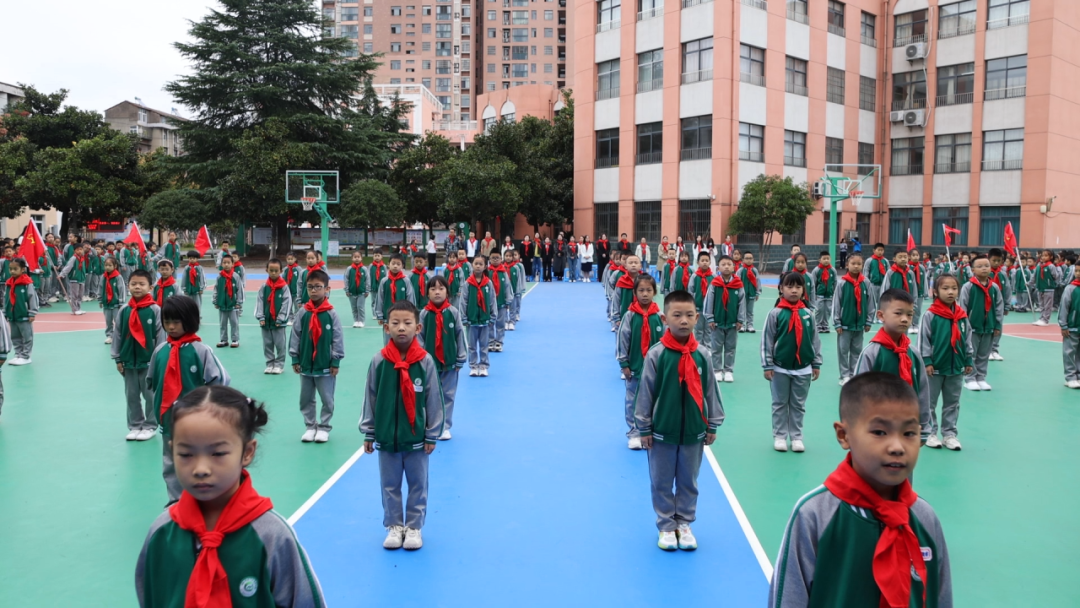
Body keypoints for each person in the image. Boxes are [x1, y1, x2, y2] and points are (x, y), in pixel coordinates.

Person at [768, 373, 953, 608]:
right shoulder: (815, 515)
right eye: (879, 432)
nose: (897, 447)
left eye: (909, 433)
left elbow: (941, 598)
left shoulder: (925, 518)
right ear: (843, 435)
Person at [135, 386, 326, 607]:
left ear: (247, 452)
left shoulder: (271, 535)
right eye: (186, 454)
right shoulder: (161, 532)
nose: (201, 469)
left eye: (218, 453)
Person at [634, 289, 725, 551]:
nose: (683, 320)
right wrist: (644, 428)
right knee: (661, 482)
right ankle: (666, 525)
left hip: (694, 433)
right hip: (661, 433)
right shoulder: (657, 354)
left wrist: (712, 423)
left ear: (697, 318)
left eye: (689, 315)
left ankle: (684, 523)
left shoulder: (703, 355)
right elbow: (645, 393)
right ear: (665, 319)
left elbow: (711, 391)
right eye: (677, 315)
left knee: (688, 482)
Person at [361, 300, 445, 551]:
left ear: (418, 328)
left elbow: (433, 399)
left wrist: (431, 434)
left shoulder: (425, 361)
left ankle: (414, 527)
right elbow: (370, 398)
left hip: (416, 439)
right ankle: (395, 526)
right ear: (386, 327)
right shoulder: (379, 360)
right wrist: (369, 431)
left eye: (407, 323)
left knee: (418, 484)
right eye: (395, 323)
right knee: (390, 485)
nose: (401, 328)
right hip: (387, 438)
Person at [147, 295, 231, 502]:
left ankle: (200, 500)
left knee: (198, 460)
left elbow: (220, 380)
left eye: (176, 321)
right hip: (169, 420)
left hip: (196, 421)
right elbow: (152, 380)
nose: (171, 327)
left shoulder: (201, 351)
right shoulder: (160, 351)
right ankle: (176, 502)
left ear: (190, 320)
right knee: (171, 462)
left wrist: (209, 409)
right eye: (167, 321)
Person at [853, 288, 932, 445]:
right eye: (898, 313)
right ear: (881, 315)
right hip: (877, 430)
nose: (905, 319)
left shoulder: (913, 353)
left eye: (909, 314)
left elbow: (923, 392)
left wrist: (924, 429)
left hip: (907, 428)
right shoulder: (872, 353)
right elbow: (858, 394)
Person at [761, 272, 822, 452]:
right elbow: (767, 340)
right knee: (779, 403)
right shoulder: (775, 313)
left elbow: (815, 340)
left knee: (798, 405)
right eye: (789, 287)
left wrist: (816, 363)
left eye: (798, 287)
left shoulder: (808, 314)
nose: (794, 290)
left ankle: (796, 437)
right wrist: (767, 364)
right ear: (781, 289)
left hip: (803, 369)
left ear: (803, 290)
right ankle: (780, 436)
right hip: (779, 368)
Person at [288, 269, 344, 444]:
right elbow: (295, 335)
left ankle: (324, 427)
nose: (313, 290)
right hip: (305, 365)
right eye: (310, 287)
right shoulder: (303, 312)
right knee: (306, 398)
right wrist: (295, 358)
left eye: (318, 287)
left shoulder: (331, 314)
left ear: (327, 289)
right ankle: (310, 426)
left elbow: (337, 338)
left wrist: (335, 361)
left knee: (327, 398)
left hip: (325, 365)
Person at [920, 274, 974, 450]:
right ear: (935, 292)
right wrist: (927, 361)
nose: (950, 292)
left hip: (956, 368)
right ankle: (930, 432)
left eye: (954, 288)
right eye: (945, 288)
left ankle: (949, 434)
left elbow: (967, 339)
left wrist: (968, 359)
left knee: (953, 403)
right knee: (930, 402)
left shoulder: (962, 316)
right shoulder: (930, 315)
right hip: (935, 368)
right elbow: (924, 339)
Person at [111, 269, 165, 442]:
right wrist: (118, 358)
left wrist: (158, 361)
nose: (137, 287)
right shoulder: (124, 310)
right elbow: (118, 335)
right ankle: (135, 425)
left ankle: (150, 426)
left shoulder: (155, 310)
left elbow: (161, 337)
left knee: (150, 396)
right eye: (133, 284)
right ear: (128, 286)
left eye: (142, 284)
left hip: (149, 362)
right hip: (128, 362)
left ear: (150, 287)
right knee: (131, 395)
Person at [617, 275, 663, 450]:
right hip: (635, 368)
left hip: (656, 370)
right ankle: (635, 433)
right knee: (633, 401)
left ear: (654, 292)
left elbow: (666, 342)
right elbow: (623, 339)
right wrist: (624, 363)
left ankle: (651, 432)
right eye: (641, 290)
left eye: (649, 290)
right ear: (635, 292)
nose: (645, 294)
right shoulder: (630, 315)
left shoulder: (659, 316)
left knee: (655, 400)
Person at [419, 276, 466, 439]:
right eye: (433, 289)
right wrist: (420, 360)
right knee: (429, 395)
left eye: (441, 289)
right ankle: (430, 424)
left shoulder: (453, 312)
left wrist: (460, 358)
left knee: (448, 395)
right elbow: (419, 338)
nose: (437, 292)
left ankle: (445, 426)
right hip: (429, 365)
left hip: (450, 363)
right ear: (427, 293)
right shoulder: (424, 314)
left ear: (447, 292)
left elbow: (460, 335)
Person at [958, 255, 1003, 392]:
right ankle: (970, 379)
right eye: (980, 266)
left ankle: (981, 378)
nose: (984, 268)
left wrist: (997, 325)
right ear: (972, 270)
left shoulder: (994, 287)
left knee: (984, 354)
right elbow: (962, 307)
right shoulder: (968, 287)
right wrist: (964, 326)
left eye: (986, 266)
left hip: (989, 327)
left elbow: (999, 307)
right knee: (971, 354)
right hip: (972, 327)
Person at [832, 253, 873, 386]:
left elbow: (870, 303)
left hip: (860, 325)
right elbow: (836, 303)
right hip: (844, 325)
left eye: (859, 264)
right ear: (847, 265)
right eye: (853, 263)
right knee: (843, 351)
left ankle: (853, 374)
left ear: (862, 265)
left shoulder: (866, 283)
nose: (856, 266)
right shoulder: (842, 283)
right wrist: (837, 322)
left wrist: (868, 320)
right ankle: (844, 375)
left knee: (857, 351)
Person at [703, 255, 745, 383]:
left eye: (729, 264)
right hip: (717, 323)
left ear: (733, 267)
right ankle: (717, 370)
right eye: (723, 264)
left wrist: (740, 320)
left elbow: (741, 303)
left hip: (732, 323)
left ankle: (728, 371)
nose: (726, 266)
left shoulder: (738, 285)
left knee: (730, 348)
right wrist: (710, 318)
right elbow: (709, 301)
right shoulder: (714, 284)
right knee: (716, 348)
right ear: (718, 268)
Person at [255, 258, 293, 375]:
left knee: (280, 344)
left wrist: (281, 318)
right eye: (271, 270)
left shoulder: (284, 287)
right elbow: (259, 302)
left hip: (278, 323)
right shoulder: (264, 287)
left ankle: (279, 365)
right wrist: (261, 317)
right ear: (267, 270)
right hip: (266, 321)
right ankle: (269, 364)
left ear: (281, 271)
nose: (273, 273)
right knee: (267, 344)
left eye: (276, 271)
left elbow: (287, 303)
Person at [462, 255, 496, 376]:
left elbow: (492, 300)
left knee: (484, 345)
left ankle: (483, 366)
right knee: (471, 345)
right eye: (476, 263)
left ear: (485, 266)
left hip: (485, 320)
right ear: (472, 265)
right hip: (471, 321)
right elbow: (463, 301)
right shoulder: (467, 283)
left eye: (481, 264)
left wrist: (493, 316)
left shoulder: (488, 283)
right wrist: (464, 317)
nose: (478, 266)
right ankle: (473, 366)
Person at [373, 253, 416, 345]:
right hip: (388, 317)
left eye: (398, 264)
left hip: (403, 317)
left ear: (402, 266)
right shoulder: (384, 281)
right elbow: (380, 298)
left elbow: (410, 297)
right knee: (388, 341)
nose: (395, 266)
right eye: (393, 263)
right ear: (388, 264)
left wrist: (412, 313)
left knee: (403, 340)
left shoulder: (406, 281)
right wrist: (379, 315)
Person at [4, 257, 38, 366]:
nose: (12, 271)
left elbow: (32, 298)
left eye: (15, 269)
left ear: (23, 269)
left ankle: (26, 356)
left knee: (27, 337)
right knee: (15, 337)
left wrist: (32, 312)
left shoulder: (27, 283)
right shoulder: (9, 283)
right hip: (12, 315)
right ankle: (18, 354)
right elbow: (6, 298)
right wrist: (5, 312)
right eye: (10, 269)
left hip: (24, 315)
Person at [882, 249, 919, 334]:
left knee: (904, 328)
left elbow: (914, 290)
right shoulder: (890, 272)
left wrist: (914, 304)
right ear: (894, 259)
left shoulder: (910, 273)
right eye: (900, 257)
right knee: (893, 329)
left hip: (907, 306)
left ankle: (903, 342)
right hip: (893, 306)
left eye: (905, 257)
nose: (903, 259)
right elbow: (885, 289)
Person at [212, 255, 243, 348]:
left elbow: (239, 290)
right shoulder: (219, 277)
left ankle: (235, 339)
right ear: (221, 264)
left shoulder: (236, 276)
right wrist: (216, 301)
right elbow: (216, 289)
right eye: (224, 263)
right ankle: (223, 340)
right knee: (222, 323)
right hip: (222, 305)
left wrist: (238, 302)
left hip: (233, 305)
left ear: (232, 264)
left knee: (234, 323)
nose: (226, 265)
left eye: (228, 263)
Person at [987, 248, 1010, 360]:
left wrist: (1007, 305)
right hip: (987, 305)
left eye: (999, 261)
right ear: (988, 259)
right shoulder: (985, 273)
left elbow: (1007, 289)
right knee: (987, 327)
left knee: (998, 327)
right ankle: (987, 351)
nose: (996, 263)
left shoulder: (1002, 274)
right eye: (994, 260)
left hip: (999, 306)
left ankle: (994, 350)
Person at [488, 250, 514, 351]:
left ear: (501, 259)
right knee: (490, 323)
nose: (495, 260)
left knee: (500, 323)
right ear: (489, 259)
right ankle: (490, 341)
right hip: (489, 304)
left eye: (497, 258)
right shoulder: (487, 272)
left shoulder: (503, 273)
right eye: (493, 258)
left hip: (501, 302)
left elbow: (507, 286)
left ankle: (499, 342)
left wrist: (508, 300)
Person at [1060, 263, 1080, 389]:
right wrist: (1064, 325)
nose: (1078, 273)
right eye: (1076, 271)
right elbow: (1064, 307)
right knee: (1069, 352)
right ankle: (1070, 377)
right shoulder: (1070, 288)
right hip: (1072, 327)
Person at [687, 250, 714, 337]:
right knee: (698, 329)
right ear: (698, 262)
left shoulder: (713, 277)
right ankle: (698, 345)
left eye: (706, 260)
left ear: (710, 262)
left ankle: (707, 345)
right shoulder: (694, 276)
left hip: (710, 309)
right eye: (702, 260)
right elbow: (690, 290)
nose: (704, 262)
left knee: (709, 330)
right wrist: (692, 304)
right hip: (698, 307)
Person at [100, 257, 127, 345]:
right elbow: (100, 288)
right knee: (108, 321)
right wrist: (100, 300)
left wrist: (121, 302)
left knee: (118, 321)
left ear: (115, 266)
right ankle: (110, 336)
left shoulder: (118, 277)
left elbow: (122, 289)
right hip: (106, 304)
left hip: (116, 304)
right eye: (106, 265)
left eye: (110, 265)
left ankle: (119, 336)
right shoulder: (103, 277)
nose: (107, 267)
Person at [58, 242, 90, 315]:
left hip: (81, 279)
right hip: (74, 278)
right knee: (74, 295)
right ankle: (74, 309)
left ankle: (78, 308)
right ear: (74, 251)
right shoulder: (73, 258)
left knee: (80, 295)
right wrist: (62, 274)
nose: (79, 251)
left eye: (81, 249)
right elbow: (68, 267)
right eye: (78, 250)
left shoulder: (82, 258)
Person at [811, 251, 836, 333]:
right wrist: (814, 294)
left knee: (828, 310)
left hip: (829, 295)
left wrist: (835, 293)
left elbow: (835, 282)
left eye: (828, 258)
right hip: (819, 295)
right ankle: (818, 325)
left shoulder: (832, 270)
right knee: (819, 310)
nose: (826, 260)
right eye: (824, 259)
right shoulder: (816, 270)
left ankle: (825, 325)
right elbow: (813, 283)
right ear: (820, 260)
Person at [344, 249, 369, 328]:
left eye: (358, 257)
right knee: (354, 308)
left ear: (361, 258)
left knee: (360, 307)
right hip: (352, 292)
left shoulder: (364, 269)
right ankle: (356, 321)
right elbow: (346, 279)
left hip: (362, 292)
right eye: (355, 257)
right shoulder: (349, 269)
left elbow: (367, 280)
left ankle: (361, 321)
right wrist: (347, 289)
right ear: (352, 258)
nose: (357, 258)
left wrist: (367, 290)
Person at [737, 251, 760, 333]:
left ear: (753, 260)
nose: (749, 260)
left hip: (752, 293)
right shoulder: (740, 270)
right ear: (743, 260)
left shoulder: (755, 270)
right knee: (742, 310)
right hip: (742, 294)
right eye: (747, 258)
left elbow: (757, 281)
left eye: (750, 258)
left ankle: (750, 325)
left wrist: (757, 292)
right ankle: (742, 325)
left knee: (750, 311)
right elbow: (737, 281)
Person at [866, 243, 889, 322]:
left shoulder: (885, 261)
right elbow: (866, 272)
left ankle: (879, 317)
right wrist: (867, 284)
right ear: (874, 250)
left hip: (883, 285)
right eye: (878, 250)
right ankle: (871, 317)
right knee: (871, 302)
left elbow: (888, 273)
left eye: (882, 250)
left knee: (881, 302)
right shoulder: (869, 260)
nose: (880, 252)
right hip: (873, 284)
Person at [508, 250, 525, 327]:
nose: (514, 256)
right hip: (510, 287)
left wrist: (522, 287)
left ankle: (517, 313)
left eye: (515, 255)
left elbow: (522, 276)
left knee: (517, 301)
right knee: (511, 303)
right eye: (513, 255)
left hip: (518, 287)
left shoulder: (520, 266)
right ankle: (512, 315)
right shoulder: (508, 266)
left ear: (519, 256)